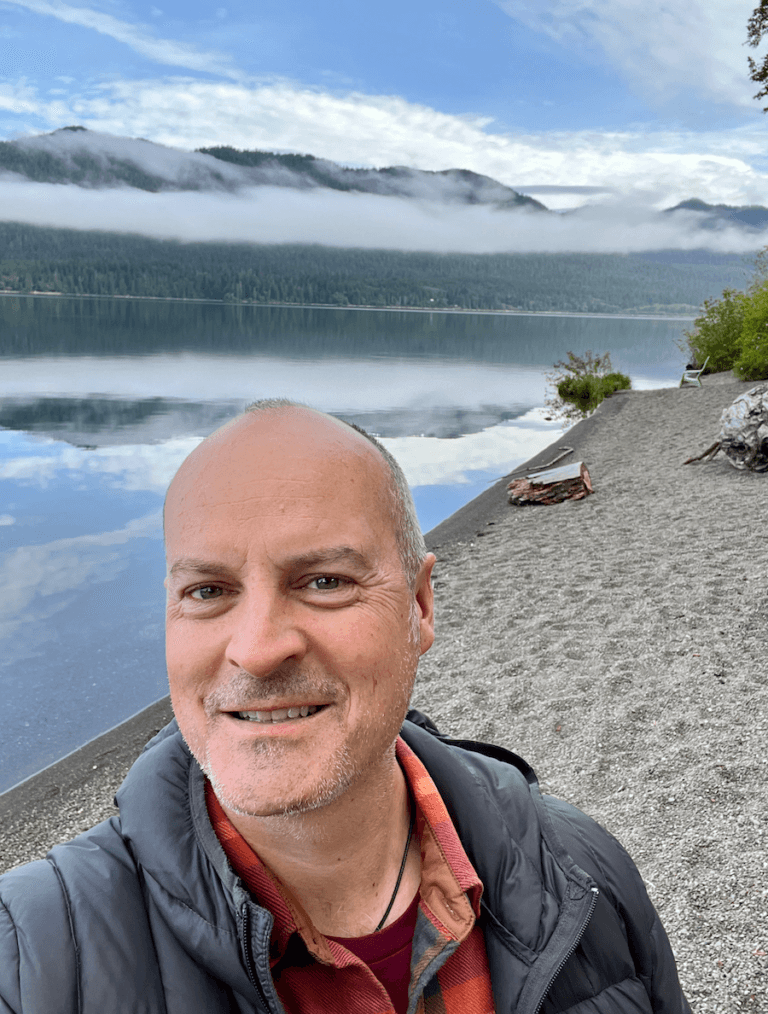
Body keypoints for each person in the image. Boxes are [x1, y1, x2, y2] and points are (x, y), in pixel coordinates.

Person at [0, 400, 691, 1014]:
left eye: (324, 581)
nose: (258, 648)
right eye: (208, 591)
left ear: (419, 606)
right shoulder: (31, 955)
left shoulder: (581, 869)